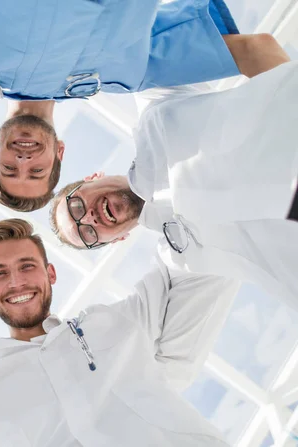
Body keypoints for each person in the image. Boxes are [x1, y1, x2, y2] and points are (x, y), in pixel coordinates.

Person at [0, 0, 288, 211]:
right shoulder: (130, 75)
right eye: (37, 170)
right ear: (59, 152)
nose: (24, 160)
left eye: (10, 168)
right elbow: (254, 51)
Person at [0, 218, 240, 446]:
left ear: (51, 273)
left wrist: (140, 209)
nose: (16, 282)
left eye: (27, 266)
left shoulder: (110, 323)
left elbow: (192, 262)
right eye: (0, 273)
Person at [49, 55, 298, 311]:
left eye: (77, 207)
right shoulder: (182, 260)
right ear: (116, 240)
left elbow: (248, 49)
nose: (89, 219)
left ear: (93, 178)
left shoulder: (154, 111)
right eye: (88, 234)